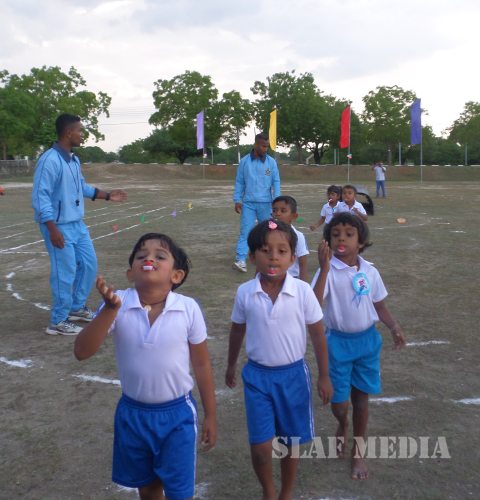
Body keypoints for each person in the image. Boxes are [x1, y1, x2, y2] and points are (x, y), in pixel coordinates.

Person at [74, 233, 217, 500]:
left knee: (179, 491)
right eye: (141, 256)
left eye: (159, 256)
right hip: (133, 415)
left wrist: (210, 414)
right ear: (131, 273)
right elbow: (81, 351)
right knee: (148, 489)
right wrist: (109, 310)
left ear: (176, 275)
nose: (149, 259)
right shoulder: (118, 302)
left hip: (177, 415)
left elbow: (201, 363)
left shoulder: (188, 308)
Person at [226, 219, 332, 500]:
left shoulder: (302, 291)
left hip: (293, 376)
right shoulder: (245, 292)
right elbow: (237, 330)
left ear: (292, 258)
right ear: (252, 257)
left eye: (282, 251)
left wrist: (324, 375)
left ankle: (286, 492)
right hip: (257, 377)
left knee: (290, 442)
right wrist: (231, 364)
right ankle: (269, 492)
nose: (273, 257)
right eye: (265, 250)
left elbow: (318, 334)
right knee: (261, 447)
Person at [311, 213, 406, 480]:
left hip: (367, 343)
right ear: (328, 241)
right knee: (339, 403)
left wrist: (394, 327)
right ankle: (342, 423)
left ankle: (358, 451)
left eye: (349, 234)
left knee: (361, 399)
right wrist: (324, 268)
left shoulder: (370, 271)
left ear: (361, 242)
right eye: (335, 234)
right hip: (337, 344)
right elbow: (313, 305)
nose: (341, 238)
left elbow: (379, 305)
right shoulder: (327, 271)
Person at [32, 113, 128, 336]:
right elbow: (40, 196)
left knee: (89, 264)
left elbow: (81, 187)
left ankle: (76, 307)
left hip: (77, 223)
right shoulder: (49, 160)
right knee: (64, 272)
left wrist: (107, 195)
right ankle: (58, 320)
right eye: (80, 131)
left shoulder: (73, 160)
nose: (83, 135)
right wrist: (52, 228)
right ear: (68, 132)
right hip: (57, 225)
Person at [232, 133, 281, 273]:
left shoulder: (271, 162)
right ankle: (241, 259)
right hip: (248, 204)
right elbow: (240, 182)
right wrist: (237, 199)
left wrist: (276, 200)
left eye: (267, 146)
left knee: (268, 232)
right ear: (256, 144)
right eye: (263, 146)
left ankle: (268, 257)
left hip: (266, 204)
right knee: (245, 232)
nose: (265, 149)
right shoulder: (244, 162)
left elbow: (276, 181)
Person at [272, 195, 309, 282]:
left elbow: (303, 265)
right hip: (271, 279)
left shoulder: (298, 236)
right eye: (274, 210)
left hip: (292, 279)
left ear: (294, 216)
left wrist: (303, 286)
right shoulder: (267, 234)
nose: (277, 213)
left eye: (283, 211)